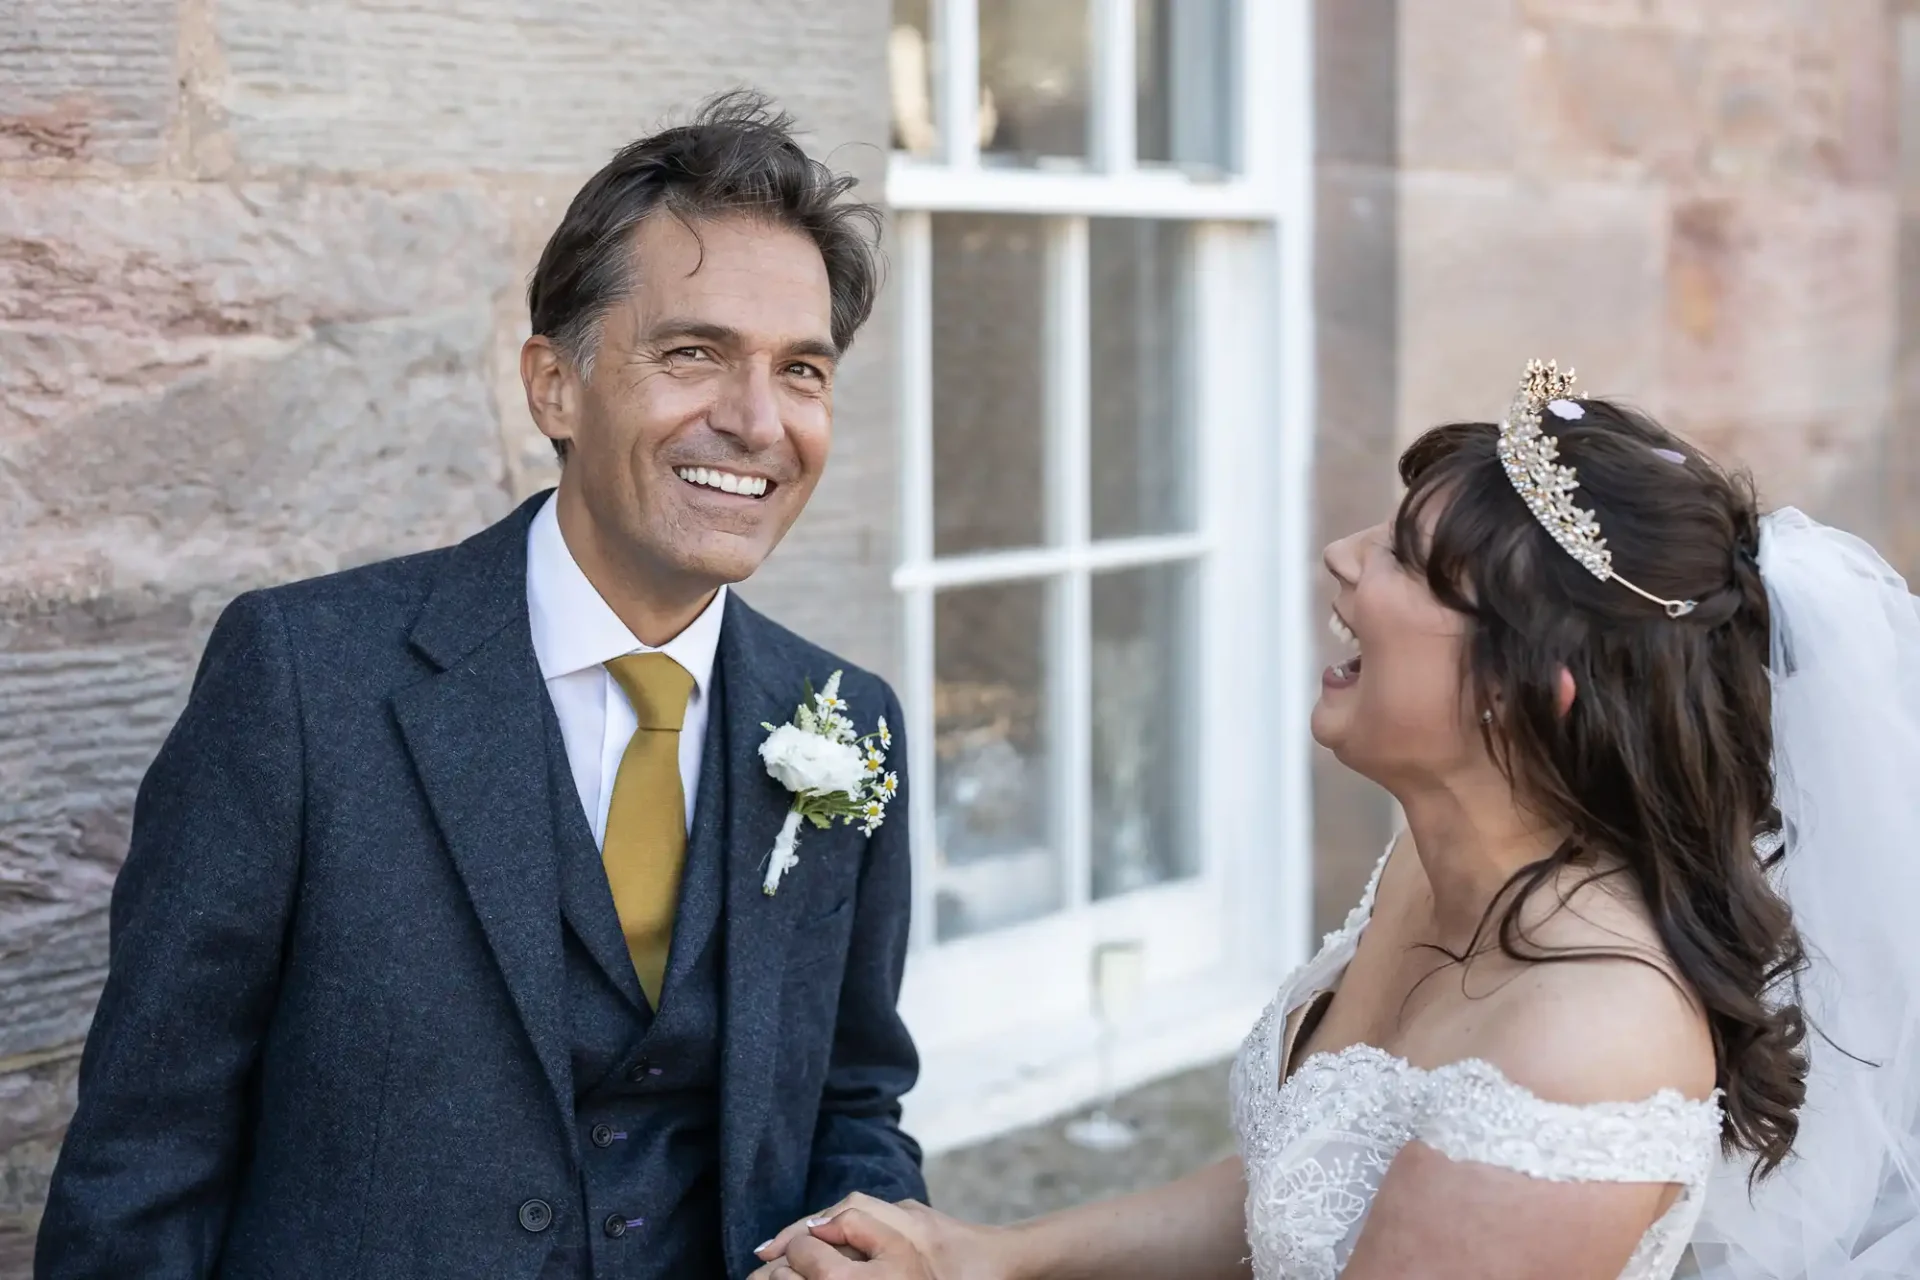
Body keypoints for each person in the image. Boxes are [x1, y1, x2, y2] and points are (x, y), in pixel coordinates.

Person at [751, 361, 1920, 1280]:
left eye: (1405, 557)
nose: (1342, 558)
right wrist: (992, 1252)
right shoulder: (1440, 853)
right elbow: (1304, 1181)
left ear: (1526, 688)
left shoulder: (1589, 1037)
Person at [36, 92, 926, 1280]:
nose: (757, 420)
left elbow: (855, 1095)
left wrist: (864, 1246)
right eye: (693, 352)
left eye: (801, 369)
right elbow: (148, 1155)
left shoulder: (847, 719)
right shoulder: (302, 680)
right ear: (554, 385)